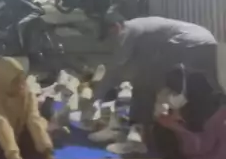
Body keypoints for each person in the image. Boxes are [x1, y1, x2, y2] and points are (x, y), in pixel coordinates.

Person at [95, 10, 223, 132]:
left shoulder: (128, 30)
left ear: (116, 26)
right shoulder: (140, 27)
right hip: (206, 41)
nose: (111, 40)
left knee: (145, 84)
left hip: (189, 42)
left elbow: (117, 64)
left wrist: (98, 95)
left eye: (110, 35)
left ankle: (139, 128)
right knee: (204, 86)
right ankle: (209, 123)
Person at [154, 64, 226, 159]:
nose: (171, 96)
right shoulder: (203, 107)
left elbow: (201, 146)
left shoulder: (217, 114)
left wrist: (175, 127)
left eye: (175, 91)